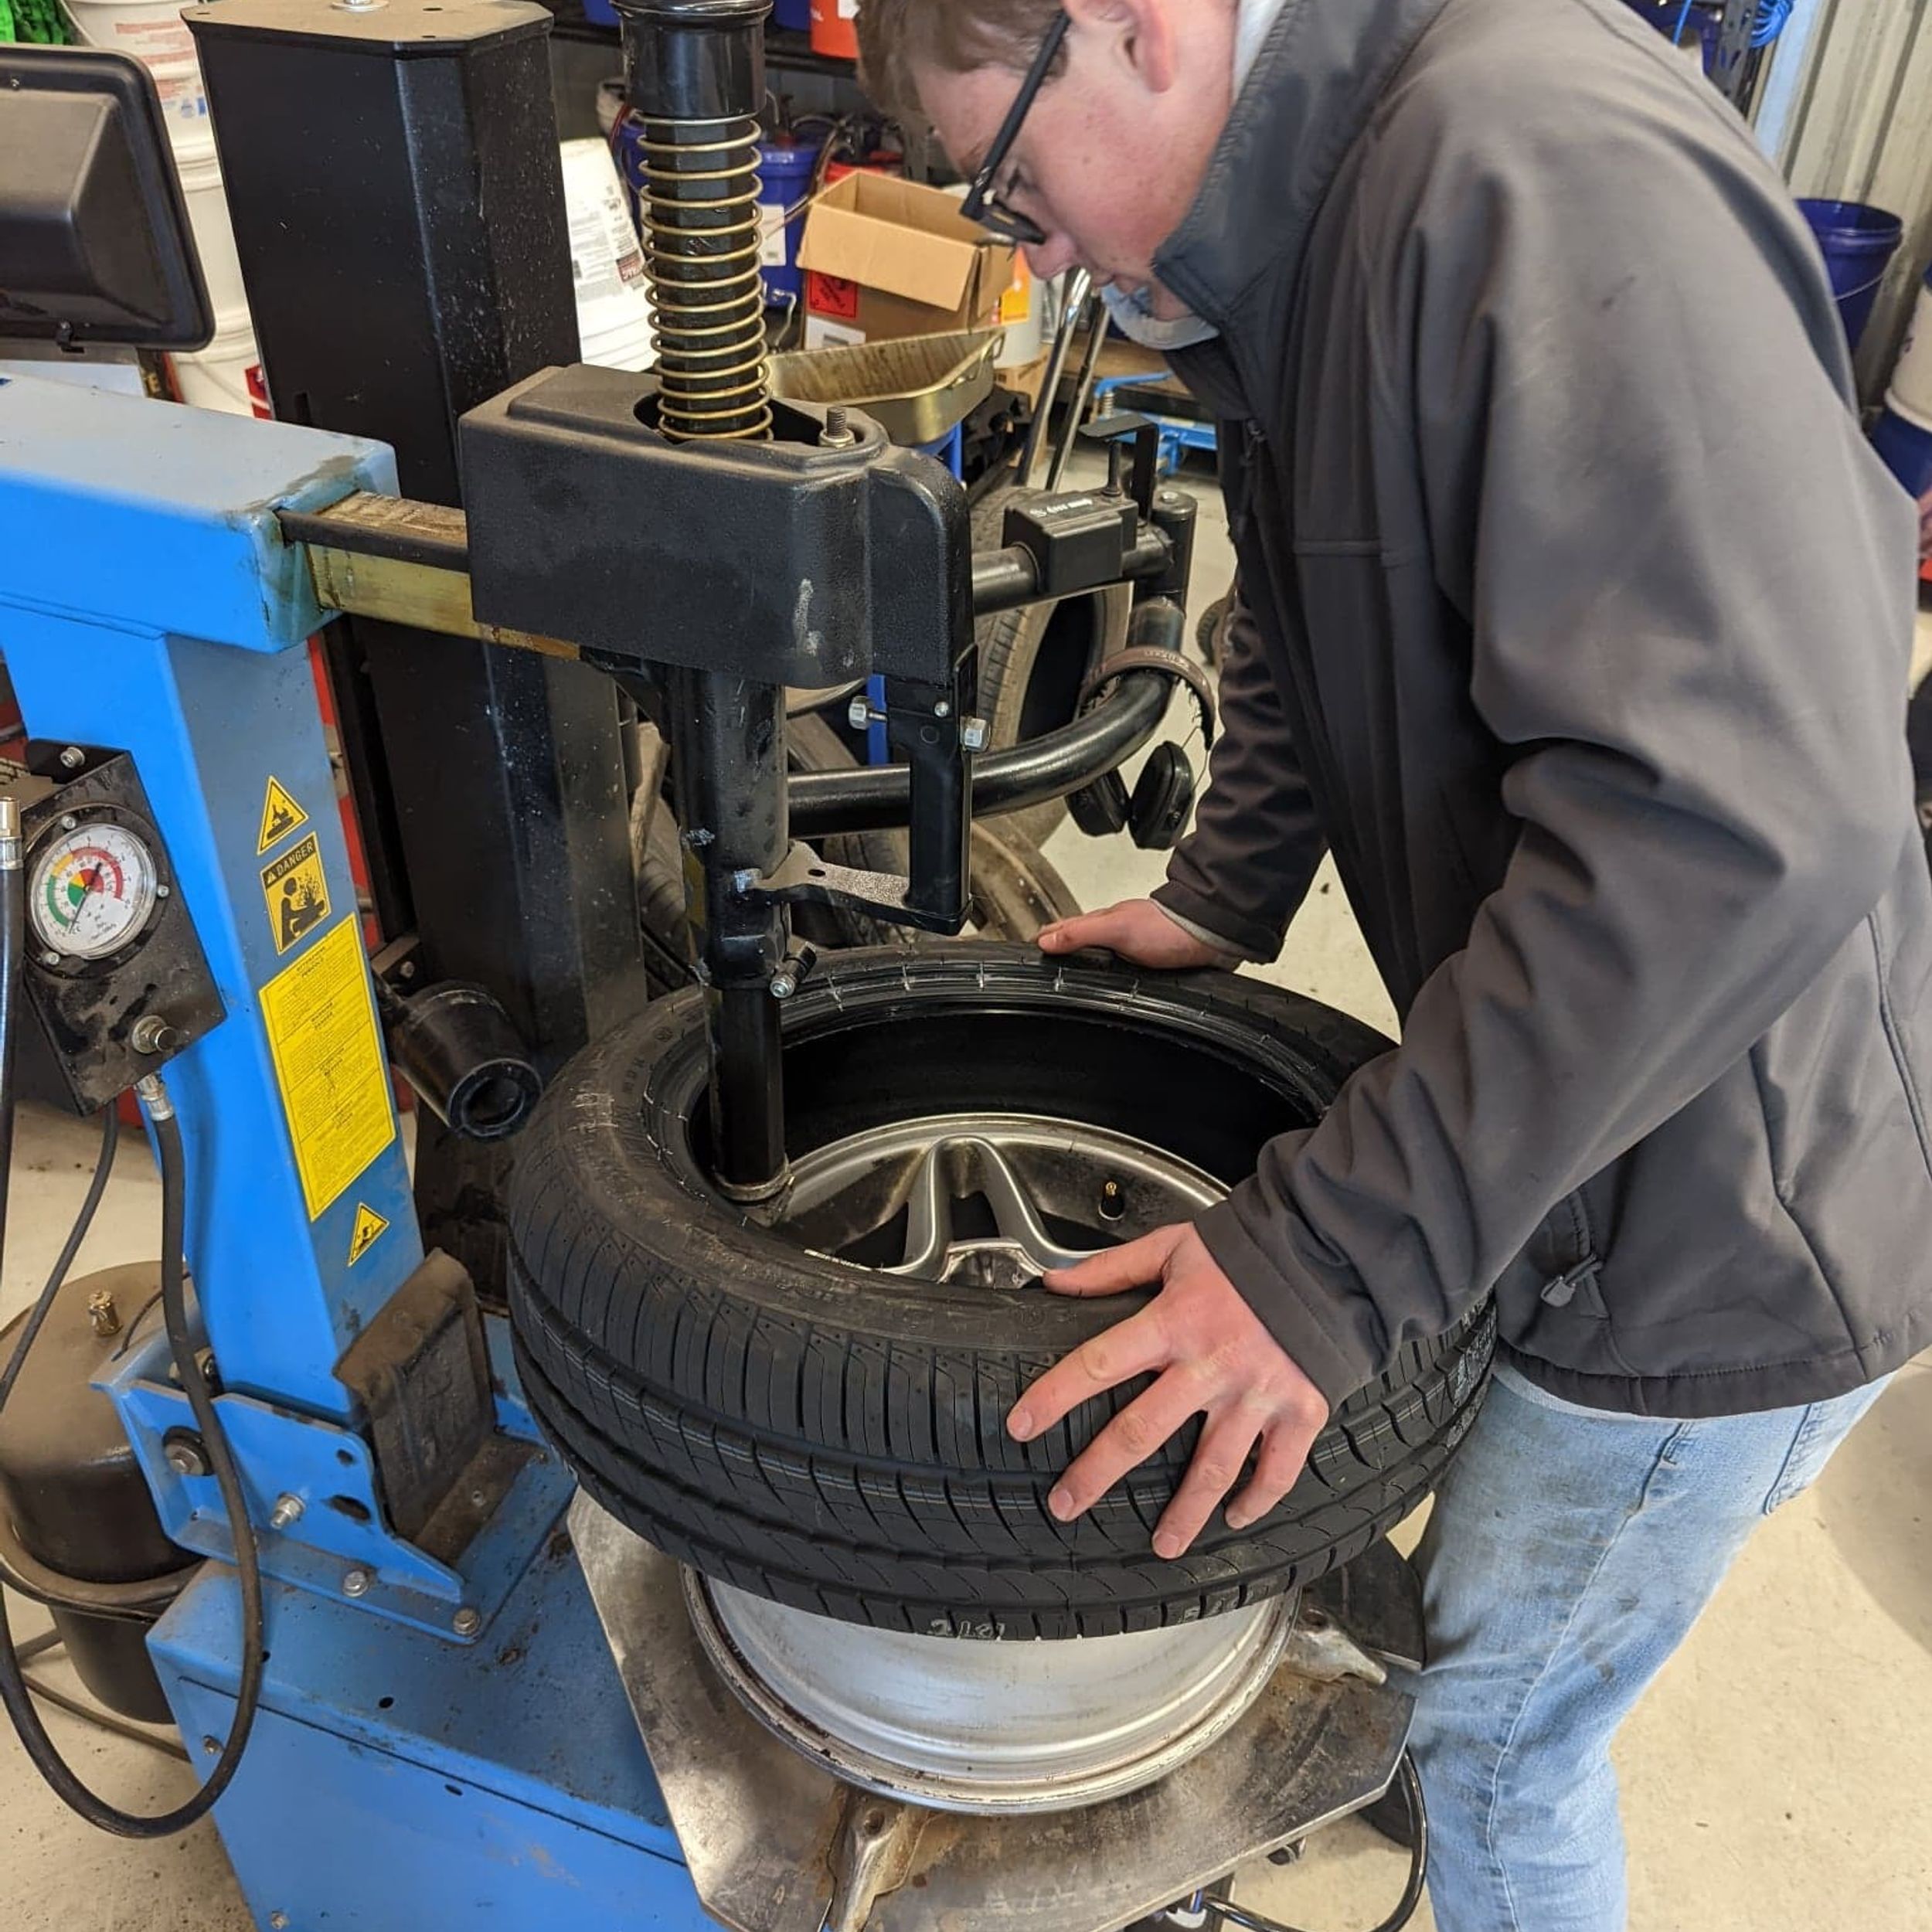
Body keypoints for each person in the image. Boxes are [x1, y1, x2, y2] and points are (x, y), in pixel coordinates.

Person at [855, 3, 1932, 1927]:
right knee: (1455, 1659)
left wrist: (1331, 1255)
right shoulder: (1305, 206)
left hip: (1714, 1215)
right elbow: (1304, 586)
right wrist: (1225, 885)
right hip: (1586, 1123)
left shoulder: (1526, 177)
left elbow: (1742, 821)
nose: (1032, 253)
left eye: (1008, 184)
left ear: (1131, 24)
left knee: (1489, 1741)